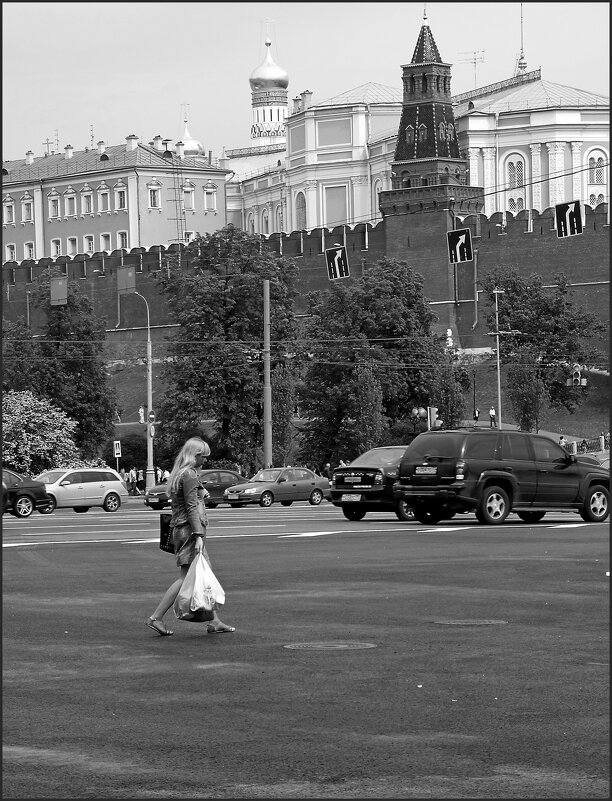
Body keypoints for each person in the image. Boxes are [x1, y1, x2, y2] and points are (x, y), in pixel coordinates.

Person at [146, 437, 235, 637]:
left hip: (183, 529)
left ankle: (214, 621)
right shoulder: (189, 475)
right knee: (186, 576)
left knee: (204, 573)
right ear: (194, 455)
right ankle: (156, 617)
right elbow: (192, 507)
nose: (205, 460)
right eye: (203, 456)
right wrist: (198, 535)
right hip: (189, 531)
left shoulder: (182, 473)